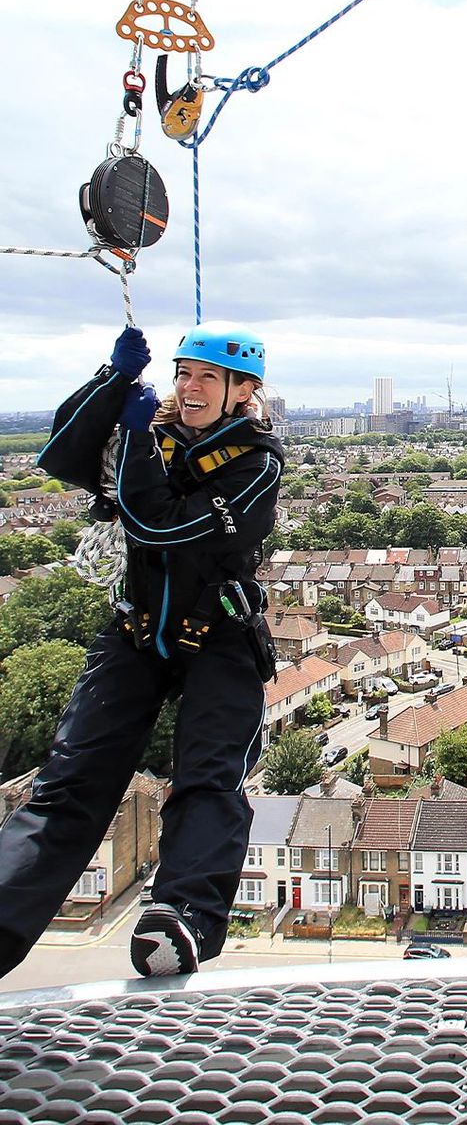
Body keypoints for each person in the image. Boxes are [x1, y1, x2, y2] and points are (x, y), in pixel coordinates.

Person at [0, 323, 283, 979]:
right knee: (72, 780)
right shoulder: (150, 430)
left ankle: (184, 914)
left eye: (209, 377)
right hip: (136, 631)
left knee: (208, 776)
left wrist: (130, 438)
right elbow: (64, 456)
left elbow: (160, 521)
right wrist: (113, 382)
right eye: (184, 373)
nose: (190, 386)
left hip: (219, 637)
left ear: (243, 392)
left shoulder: (254, 464)